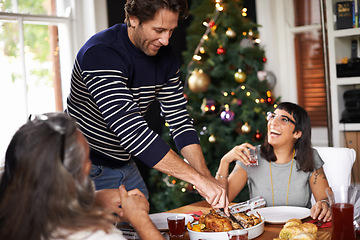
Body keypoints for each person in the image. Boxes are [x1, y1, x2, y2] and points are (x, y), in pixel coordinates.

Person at [65, 0, 228, 210]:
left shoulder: (166, 56)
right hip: (84, 167)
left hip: (125, 162)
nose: (166, 41)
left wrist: (205, 177)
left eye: (171, 30)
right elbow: (131, 131)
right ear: (133, 19)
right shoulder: (100, 53)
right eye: (159, 30)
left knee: (144, 227)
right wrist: (197, 180)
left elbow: (179, 120)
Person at [0, 112, 165, 240]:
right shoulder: (96, 235)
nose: (91, 165)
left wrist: (95, 198)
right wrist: (140, 219)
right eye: (87, 158)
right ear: (70, 178)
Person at [215, 102, 332, 222]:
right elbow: (220, 202)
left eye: (284, 119)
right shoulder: (251, 156)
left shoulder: (310, 156)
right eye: (272, 116)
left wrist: (324, 204)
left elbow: (325, 199)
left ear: (297, 133)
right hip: (261, 230)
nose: (273, 122)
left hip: (298, 230)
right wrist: (224, 162)